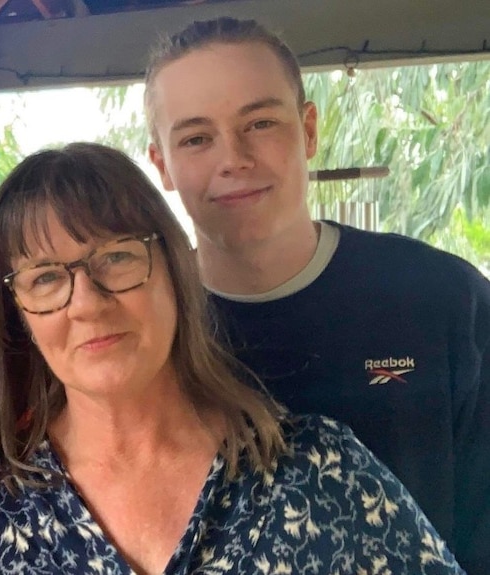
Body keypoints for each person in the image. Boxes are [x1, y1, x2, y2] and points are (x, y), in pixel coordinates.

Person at [0, 142, 463, 573]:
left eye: (117, 258)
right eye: (47, 278)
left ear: (175, 265)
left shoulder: (322, 471)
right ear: (17, 311)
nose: (88, 303)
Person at [144, 17, 490, 573]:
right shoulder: (137, 330)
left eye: (259, 122)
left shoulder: (443, 298)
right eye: (196, 138)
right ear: (162, 163)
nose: (233, 157)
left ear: (307, 130)